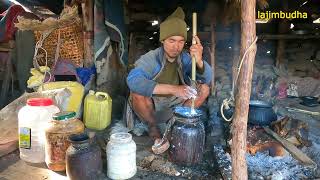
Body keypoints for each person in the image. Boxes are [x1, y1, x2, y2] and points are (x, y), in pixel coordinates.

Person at [126, 7, 212, 154]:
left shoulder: (184, 58)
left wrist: (199, 61)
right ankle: (155, 132)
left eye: (180, 41)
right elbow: (133, 81)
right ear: (163, 40)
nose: (176, 46)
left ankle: (175, 125)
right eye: (171, 40)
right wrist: (174, 89)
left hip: (174, 106)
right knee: (137, 93)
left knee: (204, 89)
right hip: (151, 106)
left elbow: (206, 78)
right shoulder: (151, 58)